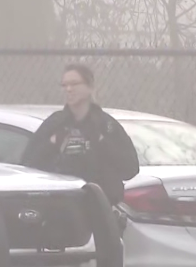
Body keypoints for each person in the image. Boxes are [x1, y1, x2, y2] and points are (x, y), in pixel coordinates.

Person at [21, 63, 140, 207]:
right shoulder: (55, 124)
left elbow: (130, 168)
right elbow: (27, 165)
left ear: (90, 87)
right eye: (64, 85)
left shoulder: (106, 125)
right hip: (60, 205)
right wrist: (52, 144)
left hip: (99, 205)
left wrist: (100, 142)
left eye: (74, 84)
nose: (69, 89)